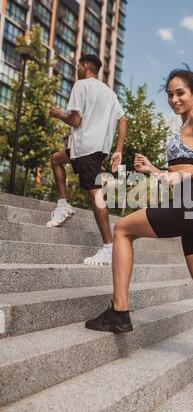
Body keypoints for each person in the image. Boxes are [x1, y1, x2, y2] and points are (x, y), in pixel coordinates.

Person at [84, 68, 193, 412]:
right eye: (170, 95)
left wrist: (186, 172)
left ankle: (119, 312)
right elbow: (179, 173)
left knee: (123, 229)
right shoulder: (186, 125)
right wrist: (155, 171)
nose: (174, 100)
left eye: (180, 94)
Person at [48, 54, 127, 266]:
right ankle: (63, 204)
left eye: (77, 66)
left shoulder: (81, 85)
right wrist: (118, 150)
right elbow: (123, 120)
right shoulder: (109, 93)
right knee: (56, 159)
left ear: (84, 66)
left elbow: (75, 120)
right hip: (91, 148)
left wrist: (58, 114)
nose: (77, 69)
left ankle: (109, 247)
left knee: (95, 193)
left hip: (86, 147)